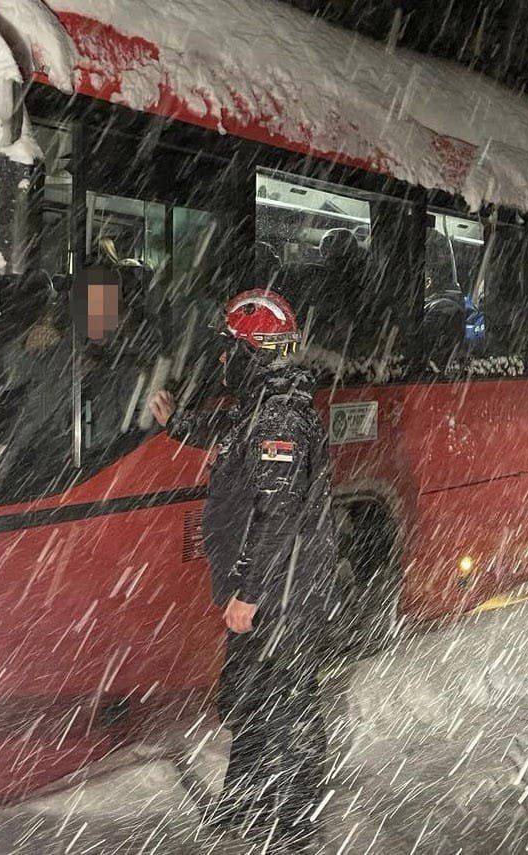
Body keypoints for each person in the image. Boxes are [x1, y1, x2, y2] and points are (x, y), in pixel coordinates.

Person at [148, 290, 339, 852]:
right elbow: (231, 440)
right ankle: (248, 802)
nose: (223, 360)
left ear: (252, 353)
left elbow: (277, 514)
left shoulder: (277, 413)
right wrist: (179, 424)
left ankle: (296, 825)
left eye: (231, 349)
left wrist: (250, 594)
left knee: (290, 703)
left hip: (282, 590)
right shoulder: (264, 403)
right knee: (251, 695)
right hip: (270, 586)